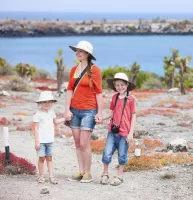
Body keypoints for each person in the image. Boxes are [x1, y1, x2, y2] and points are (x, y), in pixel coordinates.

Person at [65, 40, 103, 183]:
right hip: (74, 110)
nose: (78, 53)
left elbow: (99, 93)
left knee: (84, 143)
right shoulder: (73, 70)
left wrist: (99, 113)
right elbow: (69, 90)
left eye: (81, 51)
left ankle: (88, 173)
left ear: (87, 54)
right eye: (77, 50)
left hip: (89, 111)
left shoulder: (95, 70)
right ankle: (80, 172)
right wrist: (67, 110)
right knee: (76, 143)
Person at [99, 72, 136, 186]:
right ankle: (105, 174)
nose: (120, 87)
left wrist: (131, 133)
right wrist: (102, 118)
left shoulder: (131, 99)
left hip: (124, 133)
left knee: (122, 154)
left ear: (127, 85)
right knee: (107, 152)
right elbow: (112, 113)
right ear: (114, 86)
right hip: (112, 130)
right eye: (117, 85)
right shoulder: (114, 97)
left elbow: (133, 116)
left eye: (122, 85)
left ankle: (119, 176)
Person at [33, 91, 66, 184]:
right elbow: (35, 129)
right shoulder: (37, 114)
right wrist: (37, 141)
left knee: (49, 158)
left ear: (52, 103)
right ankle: (41, 176)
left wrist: (65, 118)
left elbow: (55, 122)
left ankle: (51, 176)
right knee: (41, 158)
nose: (46, 104)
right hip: (41, 141)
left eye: (49, 102)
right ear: (40, 103)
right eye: (44, 102)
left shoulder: (52, 112)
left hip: (50, 140)